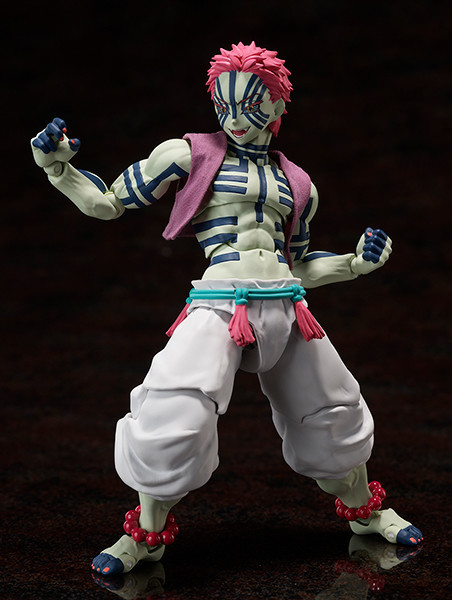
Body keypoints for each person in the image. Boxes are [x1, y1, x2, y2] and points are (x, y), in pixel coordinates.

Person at [31, 41, 422, 577]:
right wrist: (59, 169)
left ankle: (365, 513)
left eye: (252, 105)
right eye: (225, 105)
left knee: (332, 413)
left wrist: (354, 263)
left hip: (289, 307)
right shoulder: (187, 155)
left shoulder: (299, 184)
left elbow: (300, 263)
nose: (235, 119)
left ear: (279, 104)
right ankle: (145, 535)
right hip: (220, 305)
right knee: (175, 412)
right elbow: (108, 202)